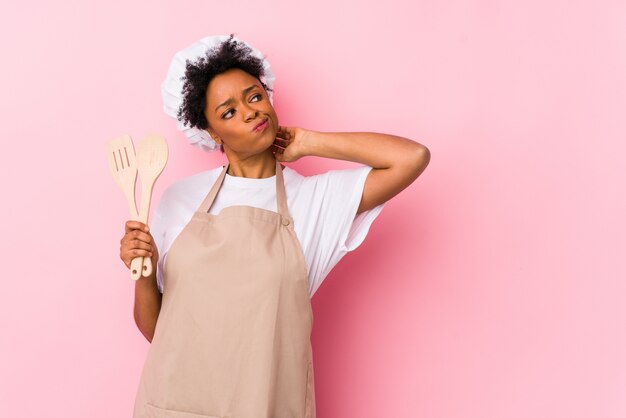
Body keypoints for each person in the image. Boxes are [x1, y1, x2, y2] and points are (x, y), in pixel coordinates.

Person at [120, 34, 430, 418]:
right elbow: (158, 331)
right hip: (174, 404)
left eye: (254, 96)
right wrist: (142, 272)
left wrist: (309, 142)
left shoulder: (315, 200)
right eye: (228, 111)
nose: (250, 112)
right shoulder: (178, 198)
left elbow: (411, 157)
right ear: (212, 132)